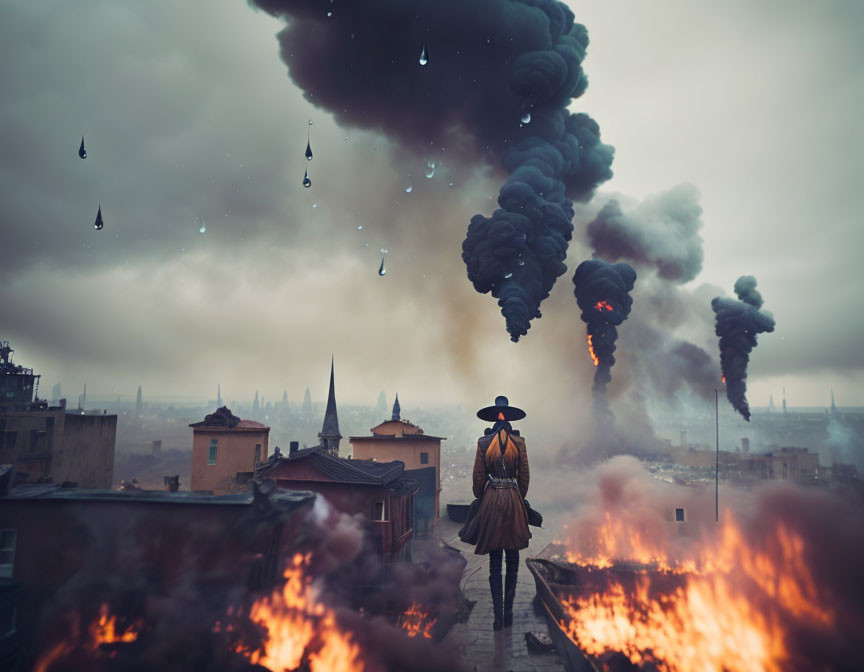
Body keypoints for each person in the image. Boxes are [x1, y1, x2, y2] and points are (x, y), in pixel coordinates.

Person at [458, 395, 531, 630]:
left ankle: (497, 619)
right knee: (513, 557)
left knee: (495, 561)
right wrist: (520, 498)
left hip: (492, 498)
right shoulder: (519, 442)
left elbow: (478, 479)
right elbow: (525, 477)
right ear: (509, 419)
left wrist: (483, 497)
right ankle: (508, 614)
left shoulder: (483, 442)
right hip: (513, 496)